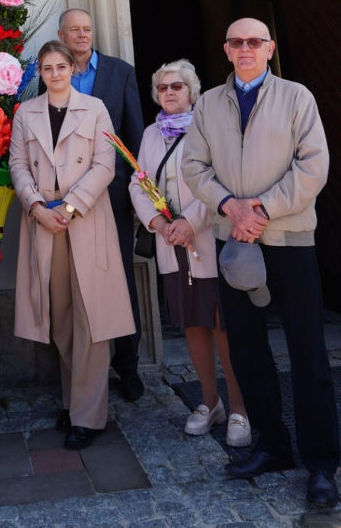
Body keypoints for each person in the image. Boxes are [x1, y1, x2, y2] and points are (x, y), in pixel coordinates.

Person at [182, 18, 339, 510]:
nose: (245, 48)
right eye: (237, 42)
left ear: (269, 48)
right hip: (235, 243)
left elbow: (313, 166)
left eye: (255, 41)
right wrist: (232, 207)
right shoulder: (208, 104)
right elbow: (193, 166)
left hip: (289, 240)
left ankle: (321, 464)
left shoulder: (297, 97)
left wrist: (263, 210)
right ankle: (272, 447)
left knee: (308, 354)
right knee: (248, 352)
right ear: (226, 50)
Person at [10, 41, 136, 451]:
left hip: (85, 220)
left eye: (61, 66)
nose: (55, 74)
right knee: (60, 318)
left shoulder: (95, 108)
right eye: (47, 68)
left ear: (72, 69)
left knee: (91, 317)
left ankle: (88, 414)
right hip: (44, 223)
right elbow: (17, 165)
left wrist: (70, 206)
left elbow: (105, 164)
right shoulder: (25, 113)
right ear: (40, 73)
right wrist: (35, 206)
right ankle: (73, 400)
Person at [129, 59, 250, 447]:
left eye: (177, 86)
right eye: (162, 88)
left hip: (208, 240)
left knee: (222, 325)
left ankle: (239, 408)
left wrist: (191, 223)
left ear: (192, 92)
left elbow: (221, 180)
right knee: (193, 324)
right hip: (172, 245)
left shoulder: (208, 125)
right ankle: (210, 402)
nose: (169, 92)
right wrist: (157, 222)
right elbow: (138, 181)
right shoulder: (150, 134)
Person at [55, 7, 145, 401]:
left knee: (120, 281)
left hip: (112, 196)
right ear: (61, 35)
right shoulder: (52, 74)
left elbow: (135, 135)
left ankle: (128, 366)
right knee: (72, 286)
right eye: (74, 30)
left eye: (87, 29)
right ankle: (80, 371)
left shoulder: (120, 72)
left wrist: (142, 195)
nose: (82, 35)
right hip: (64, 202)